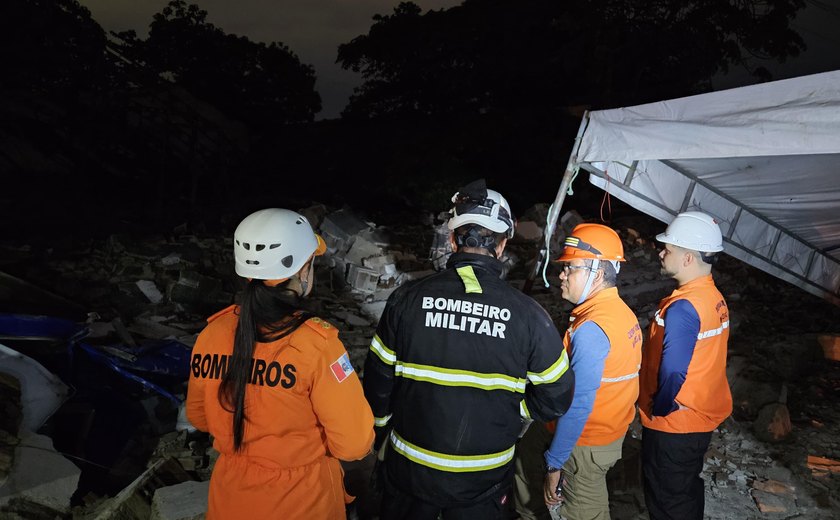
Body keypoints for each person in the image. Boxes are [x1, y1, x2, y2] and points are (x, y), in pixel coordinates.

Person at [362, 179, 575, 520]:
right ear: (503, 245)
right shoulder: (530, 316)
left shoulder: (406, 300)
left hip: (410, 471)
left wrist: (379, 433)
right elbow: (557, 396)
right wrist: (514, 410)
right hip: (484, 481)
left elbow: (378, 381)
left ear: (452, 239)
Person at [185, 208, 375, 520]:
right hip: (302, 502)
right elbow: (354, 443)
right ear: (303, 270)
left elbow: (199, 417)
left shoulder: (212, 333)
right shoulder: (316, 343)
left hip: (230, 499)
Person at [514, 223, 642, 520]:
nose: (562, 274)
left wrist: (555, 464)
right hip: (591, 431)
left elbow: (579, 402)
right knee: (525, 460)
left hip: (583, 443)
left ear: (596, 273)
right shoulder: (619, 313)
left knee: (584, 512)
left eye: (570, 268)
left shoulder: (593, 329)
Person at [638, 211, 732, 520]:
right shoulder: (712, 297)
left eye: (669, 249)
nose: (661, 253)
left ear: (689, 258)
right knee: (686, 492)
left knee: (668, 503)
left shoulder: (683, 308)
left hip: (675, 425)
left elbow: (674, 370)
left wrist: (661, 407)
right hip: (698, 417)